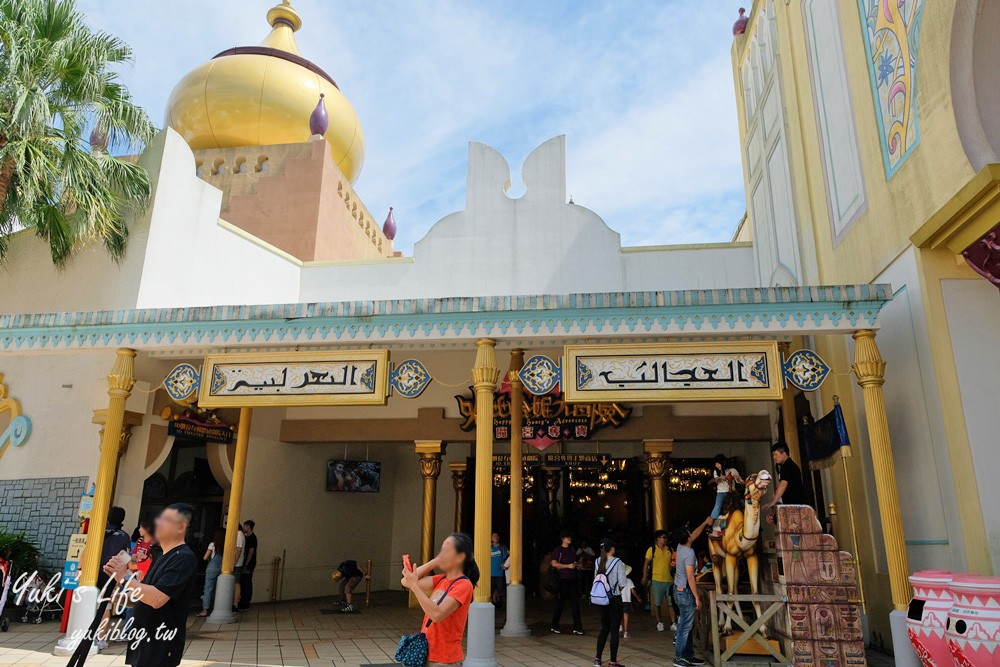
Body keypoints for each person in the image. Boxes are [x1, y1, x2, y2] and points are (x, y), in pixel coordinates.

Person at [103, 503, 198, 667]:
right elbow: (143, 597)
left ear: (181, 527)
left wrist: (124, 577)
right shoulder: (161, 556)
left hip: (160, 645)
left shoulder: (183, 558)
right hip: (143, 641)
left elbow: (157, 599)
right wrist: (113, 597)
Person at [400, 533, 478, 667]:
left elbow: (437, 615)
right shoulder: (441, 580)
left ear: (460, 557)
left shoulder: (464, 585)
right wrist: (433, 562)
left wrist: (414, 586)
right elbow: (405, 581)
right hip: (428, 654)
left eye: (446, 550)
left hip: (445, 659)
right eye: (441, 550)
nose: (441, 554)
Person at [670, 520, 713, 667]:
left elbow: (694, 534)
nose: (691, 535)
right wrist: (696, 597)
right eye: (689, 534)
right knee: (684, 627)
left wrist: (706, 522)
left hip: (678, 590)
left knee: (686, 625)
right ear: (687, 538)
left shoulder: (680, 546)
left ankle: (688, 656)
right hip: (685, 592)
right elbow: (690, 577)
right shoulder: (689, 552)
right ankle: (680, 657)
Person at [95, 506, 131, 648]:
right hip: (109, 575)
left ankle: (85, 634)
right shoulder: (124, 536)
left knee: (88, 603)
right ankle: (101, 639)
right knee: (106, 606)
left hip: (92, 573)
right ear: (122, 519)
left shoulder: (98, 533)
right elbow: (125, 558)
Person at [592, 538, 627, 667]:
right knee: (614, 631)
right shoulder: (617, 562)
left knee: (604, 629)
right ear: (612, 549)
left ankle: (597, 659)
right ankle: (613, 661)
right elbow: (623, 583)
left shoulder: (597, 562)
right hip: (614, 599)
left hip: (601, 600)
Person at [549, 531, 584, 635]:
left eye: (570, 537)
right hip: (562, 579)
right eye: (567, 537)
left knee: (575, 604)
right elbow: (554, 563)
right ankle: (554, 625)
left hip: (572, 579)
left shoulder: (572, 549)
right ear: (562, 539)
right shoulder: (558, 550)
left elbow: (573, 562)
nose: (569, 539)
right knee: (560, 603)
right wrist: (567, 566)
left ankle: (577, 627)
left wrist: (577, 565)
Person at [641, 530, 676, 632]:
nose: (665, 539)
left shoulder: (670, 549)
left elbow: (674, 563)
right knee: (657, 603)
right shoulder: (651, 550)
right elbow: (646, 563)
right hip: (656, 579)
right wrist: (644, 576)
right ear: (658, 539)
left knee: (671, 603)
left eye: (666, 538)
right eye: (663, 537)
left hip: (669, 580)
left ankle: (673, 623)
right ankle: (659, 622)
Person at [708, 455, 744, 538]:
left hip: (732, 491)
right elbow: (717, 480)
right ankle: (710, 523)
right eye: (716, 464)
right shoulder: (716, 472)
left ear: (722, 463)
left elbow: (740, 481)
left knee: (742, 502)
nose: (716, 465)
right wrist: (721, 478)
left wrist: (737, 478)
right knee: (717, 506)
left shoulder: (732, 470)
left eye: (718, 463)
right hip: (721, 492)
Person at [763, 442, 806, 510]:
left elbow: (783, 485)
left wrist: (772, 502)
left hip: (795, 505)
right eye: (773, 455)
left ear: (784, 454)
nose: (774, 457)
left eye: (776, 454)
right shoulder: (786, 466)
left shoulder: (787, 466)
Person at [197, 528, 225, 617]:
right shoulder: (225, 545)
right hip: (222, 568)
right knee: (218, 589)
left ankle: (205, 610)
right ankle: (216, 607)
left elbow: (205, 557)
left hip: (212, 568)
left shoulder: (212, 545)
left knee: (208, 589)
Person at [238, 520, 257, 609]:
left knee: (247, 582)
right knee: (244, 582)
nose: (244, 528)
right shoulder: (246, 537)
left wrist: (246, 564)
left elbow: (251, 551)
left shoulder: (252, 538)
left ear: (249, 526)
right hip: (246, 563)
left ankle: (246, 602)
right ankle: (243, 601)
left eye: (245, 526)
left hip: (249, 564)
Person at [619, 564, 640, 639]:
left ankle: (620, 626)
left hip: (619, 600)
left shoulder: (617, 581)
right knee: (626, 616)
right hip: (627, 601)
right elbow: (633, 591)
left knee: (619, 615)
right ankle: (625, 633)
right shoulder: (629, 581)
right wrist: (637, 597)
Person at [489, 532, 509, 604]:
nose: (496, 537)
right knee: (490, 592)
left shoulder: (502, 547)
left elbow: (508, 557)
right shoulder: (489, 548)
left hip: (499, 573)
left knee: (501, 592)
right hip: (490, 573)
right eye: (494, 536)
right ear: (491, 538)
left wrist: (505, 564)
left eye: (497, 535)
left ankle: (507, 608)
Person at [231, 522, 246, 612]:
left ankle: (235, 604)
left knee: (236, 583)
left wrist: (233, 562)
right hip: (237, 563)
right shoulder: (239, 535)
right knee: (235, 583)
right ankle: (235, 603)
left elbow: (238, 549)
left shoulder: (239, 535)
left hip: (237, 564)